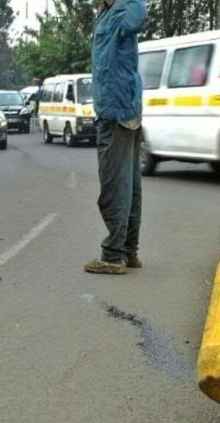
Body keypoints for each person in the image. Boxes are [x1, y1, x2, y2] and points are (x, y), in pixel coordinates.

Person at [85, 0, 147, 275]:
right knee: (129, 184)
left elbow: (138, 17)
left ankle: (113, 255)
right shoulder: (107, 12)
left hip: (118, 110)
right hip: (118, 108)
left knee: (115, 186)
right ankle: (128, 250)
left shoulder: (125, 8)